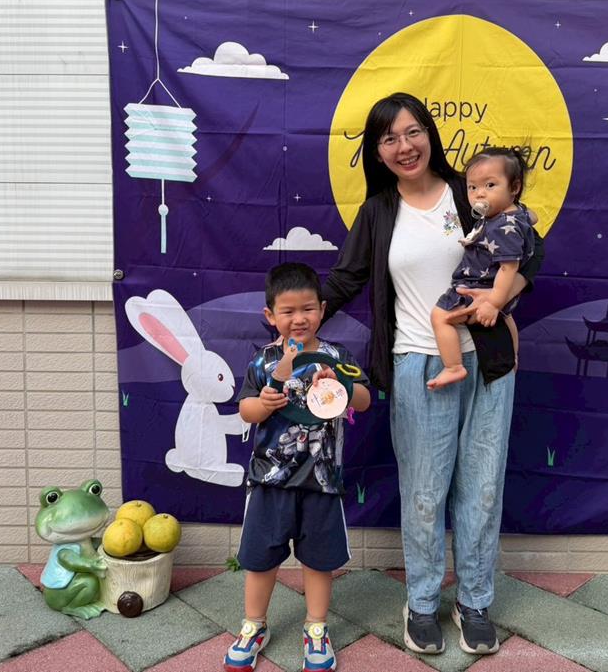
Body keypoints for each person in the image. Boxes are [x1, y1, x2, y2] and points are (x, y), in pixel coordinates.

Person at [322, 93, 544, 656]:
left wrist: (499, 300)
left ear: (430, 134)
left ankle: (474, 602)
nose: (404, 146)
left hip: (488, 364)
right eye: (389, 138)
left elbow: (529, 253)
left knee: (483, 490)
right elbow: (345, 279)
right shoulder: (378, 212)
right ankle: (421, 603)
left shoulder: (470, 193)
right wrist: (296, 323)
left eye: (413, 132)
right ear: (377, 151)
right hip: (417, 365)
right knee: (424, 494)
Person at [224, 262, 371, 672]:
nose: (299, 318)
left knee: (320, 561)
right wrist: (264, 403)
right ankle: (253, 626)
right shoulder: (263, 361)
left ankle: (316, 628)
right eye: (288, 311)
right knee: (260, 559)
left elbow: (363, 401)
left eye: (307, 309)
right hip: (270, 481)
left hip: (323, 481)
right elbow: (246, 410)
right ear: (270, 315)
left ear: (322, 309)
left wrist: (340, 384)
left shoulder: (336, 357)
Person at [427, 147, 535, 390]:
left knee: (440, 317)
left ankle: (453, 366)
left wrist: (493, 302)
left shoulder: (502, 227)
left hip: (478, 286)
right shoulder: (517, 213)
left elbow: (508, 268)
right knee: (507, 317)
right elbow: (533, 217)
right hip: (490, 287)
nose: (479, 194)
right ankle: (513, 357)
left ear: (514, 187)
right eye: (472, 187)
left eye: (490, 185)